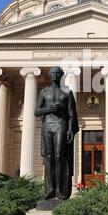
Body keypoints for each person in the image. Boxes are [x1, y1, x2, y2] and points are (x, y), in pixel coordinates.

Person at [34, 67, 79, 200]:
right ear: (50, 75)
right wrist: (48, 109)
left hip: (60, 124)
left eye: (57, 73)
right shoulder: (44, 92)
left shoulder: (67, 92)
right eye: (52, 73)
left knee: (59, 156)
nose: (54, 75)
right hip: (47, 125)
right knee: (49, 157)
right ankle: (50, 189)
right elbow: (36, 111)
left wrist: (70, 129)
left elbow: (71, 113)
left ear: (61, 75)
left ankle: (60, 189)